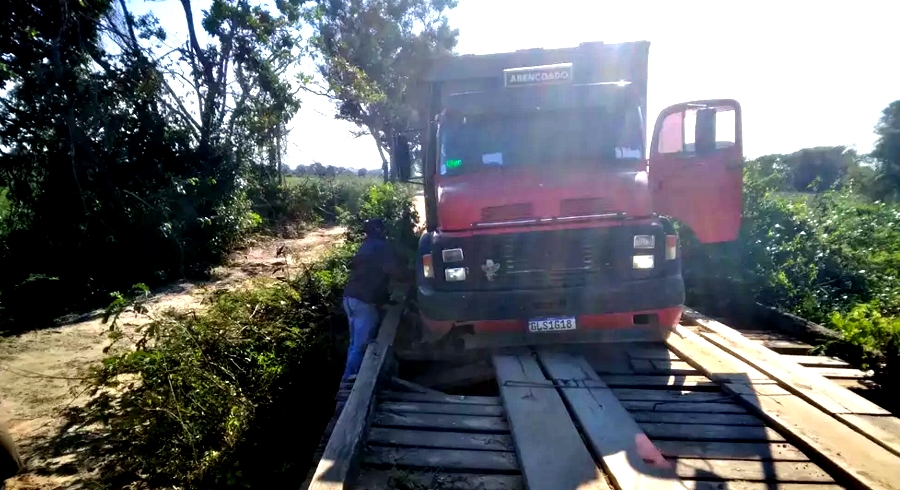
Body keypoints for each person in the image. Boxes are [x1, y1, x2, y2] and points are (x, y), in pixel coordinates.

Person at [340, 218, 409, 383]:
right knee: (362, 344)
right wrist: (412, 276)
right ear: (380, 230)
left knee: (354, 343)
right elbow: (393, 270)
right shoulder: (381, 247)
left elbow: (367, 272)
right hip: (364, 301)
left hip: (349, 298)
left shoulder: (365, 246)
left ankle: (348, 376)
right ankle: (351, 379)